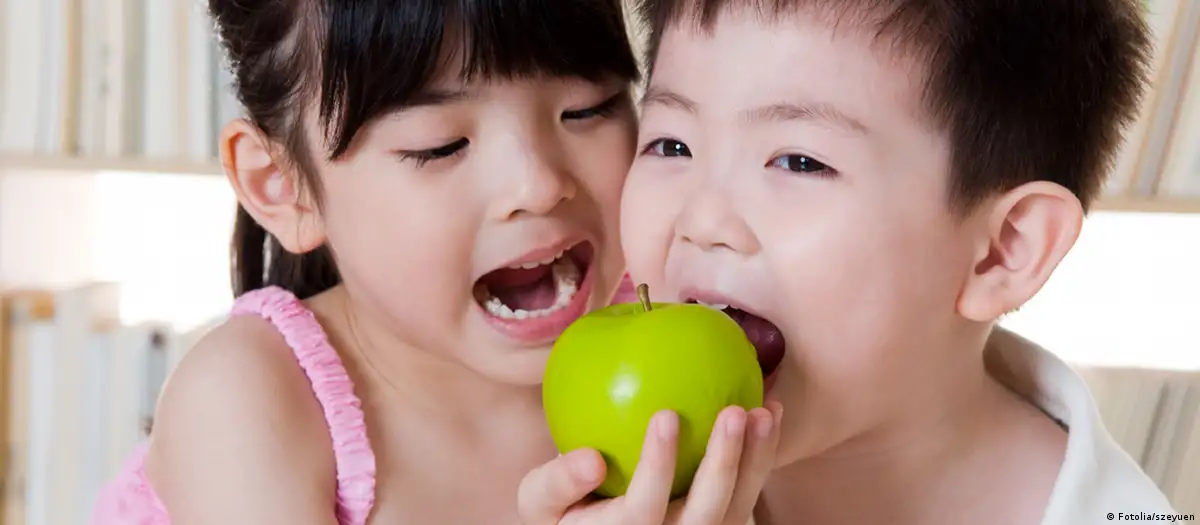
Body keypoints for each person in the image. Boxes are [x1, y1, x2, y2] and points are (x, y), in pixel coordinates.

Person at [89, 1, 774, 523]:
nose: (538, 183)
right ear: (282, 185)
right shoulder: (245, 400)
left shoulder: (686, 327)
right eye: (440, 145)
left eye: (587, 109)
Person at [520, 0, 1181, 524]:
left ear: (1003, 250)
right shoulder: (569, 462)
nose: (700, 219)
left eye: (799, 162)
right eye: (671, 145)